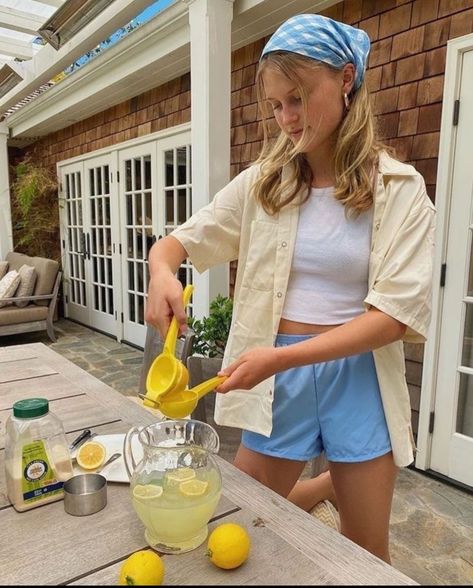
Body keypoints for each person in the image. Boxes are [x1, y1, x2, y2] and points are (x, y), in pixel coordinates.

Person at [145, 13, 435, 563]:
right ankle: (330, 483)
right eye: (276, 105)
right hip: (278, 374)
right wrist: (163, 271)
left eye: (297, 99)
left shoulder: (400, 189)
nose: (286, 119)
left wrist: (282, 360)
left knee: (366, 552)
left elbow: (392, 318)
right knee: (243, 519)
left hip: (358, 377)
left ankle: (343, 480)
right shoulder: (263, 183)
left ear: (346, 78)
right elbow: (179, 242)